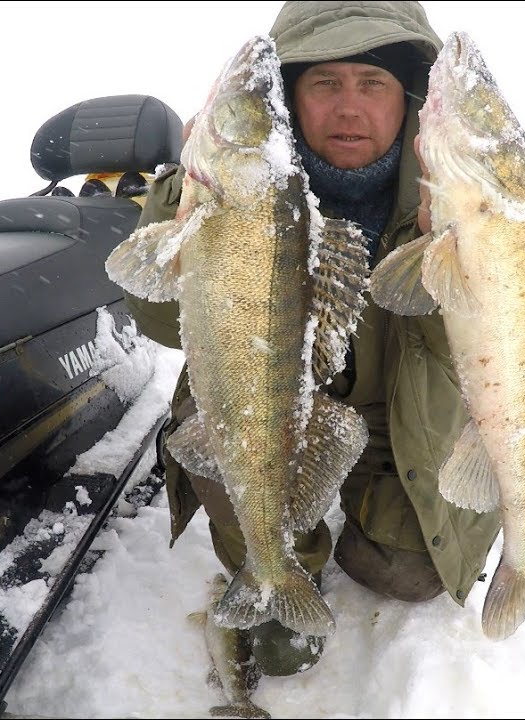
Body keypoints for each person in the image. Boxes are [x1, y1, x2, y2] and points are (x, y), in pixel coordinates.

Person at [125, 0, 501, 676]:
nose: (349, 107)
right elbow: (154, 319)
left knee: (411, 568)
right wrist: (177, 198)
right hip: (260, 398)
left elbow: (492, 347)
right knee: (231, 445)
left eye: (372, 83)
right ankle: (281, 558)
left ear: (410, 98)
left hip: (396, 407)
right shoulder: (224, 192)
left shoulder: (466, 194)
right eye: (325, 83)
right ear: (292, 98)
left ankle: (351, 506)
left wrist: (446, 245)